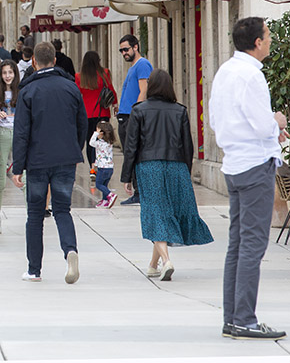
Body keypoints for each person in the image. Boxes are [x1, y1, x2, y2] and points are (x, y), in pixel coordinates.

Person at [209, 17, 289, 340]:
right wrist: (277, 121)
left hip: (234, 164)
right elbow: (261, 125)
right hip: (255, 166)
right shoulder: (252, 77)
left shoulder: (225, 72)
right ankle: (244, 318)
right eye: (268, 36)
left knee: (238, 245)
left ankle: (233, 318)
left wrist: (267, 132)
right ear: (257, 42)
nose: (270, 41)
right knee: (253, 244)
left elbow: (216, 121)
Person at [123, 69, 212, 280]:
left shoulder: (139, 110)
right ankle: (153, 265)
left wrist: (126, 176)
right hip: (176, 166)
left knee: (155, 212)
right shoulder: (179, 110)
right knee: (165, 212)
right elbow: (187, 146)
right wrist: (185, 172)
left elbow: (131, 146)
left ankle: (166, 261)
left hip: (148, 166)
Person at [11, 42, 87, 284]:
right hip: (65, 158)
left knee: (34, 215)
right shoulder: (71, 88)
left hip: (37, 161)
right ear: (55, 60)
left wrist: (18, 166)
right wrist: (75, 150)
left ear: (34, 61)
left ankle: (34, 269)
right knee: (62, 210)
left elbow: (21, 131)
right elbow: (82, 123)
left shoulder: (28, 91)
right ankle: (70, 250)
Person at [117, 34, 153, 206]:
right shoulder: (133, 67)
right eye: (121, 50)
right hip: (125, 115)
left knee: (134, 153)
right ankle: (136, 190)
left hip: (132, 116)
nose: (124, 53)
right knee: (129, 153)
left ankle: (139, 192)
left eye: (126, 49)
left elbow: (143, 90)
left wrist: (136, 114)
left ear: (136, 47)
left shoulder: (143, 65)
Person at [76, 51, 118, 170]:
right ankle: (103, 165)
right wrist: (115, 104)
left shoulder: (79, 77)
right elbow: (111, 90)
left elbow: (78, 95)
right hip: (102, 112)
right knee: (104, 141)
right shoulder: (104, 73)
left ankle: (92, 167)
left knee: (91, 141)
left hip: (87, 114)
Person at [0, 60, 20, 233]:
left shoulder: (22, 92)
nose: (8, 76)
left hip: (18, 134)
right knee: (0, 178)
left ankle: (33, 214)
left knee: (23, 175)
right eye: (4, 73)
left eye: (10, 72)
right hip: (2, 133)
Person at [90, 121, 118, 208]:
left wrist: (95, 134)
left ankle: (110, 195)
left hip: (103, 168)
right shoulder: (109, 143)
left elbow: (91, 143)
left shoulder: (100, 143)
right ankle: (105, 200)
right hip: (110, 167)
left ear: (101, 133)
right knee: (104, 185)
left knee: (98, 184)